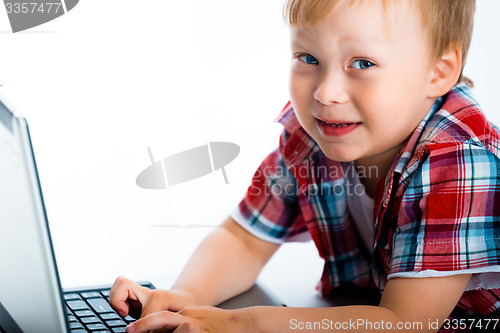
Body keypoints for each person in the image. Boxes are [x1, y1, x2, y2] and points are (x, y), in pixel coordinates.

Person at [110, 0, 500, 332]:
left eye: (362, 63)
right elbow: (244, 239)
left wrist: (239, 323)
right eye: (308, 58)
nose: (325, 93)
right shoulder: (315, 136)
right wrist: (184, 297)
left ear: (438, 71)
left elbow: (405, 322)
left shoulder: (460, 158)